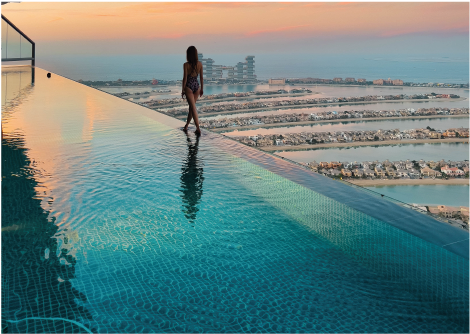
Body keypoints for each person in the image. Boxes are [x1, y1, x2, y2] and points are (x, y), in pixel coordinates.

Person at [182, 46, 203, 135]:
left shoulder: (186, 65)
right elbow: (201, 78)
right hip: (196, 86)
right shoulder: (200, 64)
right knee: (192, 107)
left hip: (189, 86)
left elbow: (185, 78)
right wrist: (202, 88)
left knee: (193, 107)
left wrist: (183, 89)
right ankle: (186, 125)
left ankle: (198, 128)